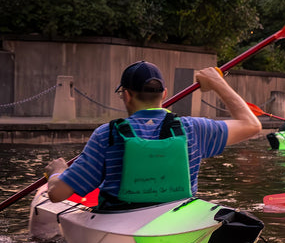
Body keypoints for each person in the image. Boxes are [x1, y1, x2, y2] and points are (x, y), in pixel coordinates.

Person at [44, 61, 262, 208]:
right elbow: (252, 125)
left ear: (126, 95)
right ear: (164, 94)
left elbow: (57, 195)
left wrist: (57, 172)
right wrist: (217, 83)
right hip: (175, 224)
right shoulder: (194, 129)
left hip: (120, 224)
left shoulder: (106, 135)